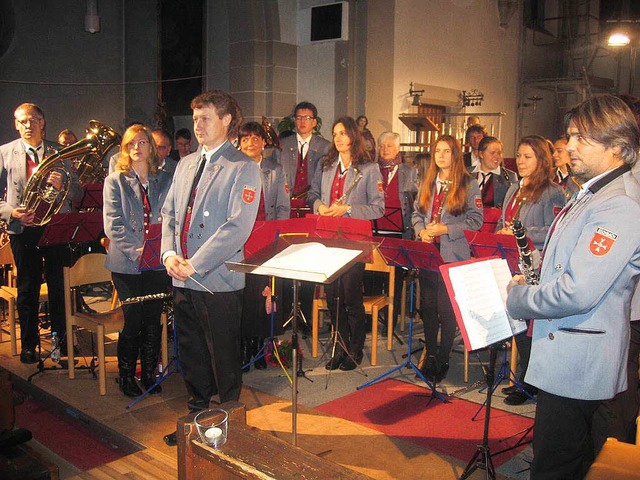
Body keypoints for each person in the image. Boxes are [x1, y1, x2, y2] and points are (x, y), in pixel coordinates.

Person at [506, 94, 640, 479]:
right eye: (570, 136)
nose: (570, 147)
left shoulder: (618, 204)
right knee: (566, 458)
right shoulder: (593, 192)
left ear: (617, 146)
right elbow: (565, 261)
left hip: (578, 360)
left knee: (555, 465)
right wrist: (533, 267)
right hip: (570, 351)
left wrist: (519, 299)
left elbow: (577, 291)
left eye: (583, 138)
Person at [161, 90, 260, 446]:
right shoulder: (185, 163)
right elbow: (170, 213)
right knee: (191, 351)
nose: (197, 125)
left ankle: (230, 424)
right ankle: (197, 418)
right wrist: (169, 254)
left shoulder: (243, 166)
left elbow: (237, 226)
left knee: (223, 356)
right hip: (182, 275)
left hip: (216, 279)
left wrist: (195, 264)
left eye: (205, 118)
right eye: (194, 118)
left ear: (226, 120)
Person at [0, 103, 83, 364]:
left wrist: (63, 187)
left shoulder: (59, 153)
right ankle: (29, 345)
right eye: (22, 121)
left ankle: (61, 343)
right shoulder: (4, 153)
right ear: (16, 124)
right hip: (23, 231)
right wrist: (12, 212)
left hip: (54, 228)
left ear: (42, 122)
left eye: (33, 120)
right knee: (28, 288)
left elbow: (78, 194)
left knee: (59, 287)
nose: (28, 125)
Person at [308, 116, 384, 371]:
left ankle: (355, 349)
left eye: (342, 133)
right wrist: (321, 207)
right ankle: (338, 348)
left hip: (354, 242)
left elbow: (378, 208)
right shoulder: (326, 164)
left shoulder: (369, 168)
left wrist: (348, 209)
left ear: (353, 135)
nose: (338, 138)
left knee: (351, 298)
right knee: (333, 297)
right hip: (329, 239)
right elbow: (313, 195)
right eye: (335, 133)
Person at [496, 135, 566, 405]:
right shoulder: (515, 188)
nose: (521, 161)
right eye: (519, 155)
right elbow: (505, 220)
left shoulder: (553, 191)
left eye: (528, 157)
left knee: (528, 327)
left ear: (541, 160)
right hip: (509, 261)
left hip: (532, 266)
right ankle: (522, 377)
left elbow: (554, 230)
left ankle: (529, 382)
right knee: (516, 325)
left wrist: (518, 233)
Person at [103, 124, 172, 397]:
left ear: (150, 147)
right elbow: (113, 225)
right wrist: (138, 250)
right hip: (126, 263)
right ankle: (126, 376)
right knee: (132, 320)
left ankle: (150, 374)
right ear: (125, 149)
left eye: (142, 142)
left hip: (155, 262)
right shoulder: (115, 181)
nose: (137, 148)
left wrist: (159, 249)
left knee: (153, 320)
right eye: (131, 143)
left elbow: (170, 216)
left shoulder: (163, 179)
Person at [412, 134, 483, 383]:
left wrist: (446, 229)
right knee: (428, 308)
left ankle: (443, 358)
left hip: (453, 254)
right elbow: (416, 214)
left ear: (455, 154)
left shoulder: (468, 183)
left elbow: (476, 221)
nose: (441, 156)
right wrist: (421, 231)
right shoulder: (428, 182)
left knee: (446, 310)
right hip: (429, 255)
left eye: (446, 151)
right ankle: (430, 354)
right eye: (437, 151)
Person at [237, 121, 290, 371]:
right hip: (240, 239)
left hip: (266, 238)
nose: (250, 143)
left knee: (263, 293)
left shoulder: (274, 169)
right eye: (245, 139)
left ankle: (260, 349)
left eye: (255, 139)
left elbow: (282, 207)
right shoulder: (233, 168)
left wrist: (275, 236)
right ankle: (245, 348)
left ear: (263, 142)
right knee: (244, 294)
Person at [271, 101, 330, 216]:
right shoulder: (282, 146)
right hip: (287, 207)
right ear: (294, 121)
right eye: (299, 117)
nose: (302, 121)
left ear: (314, 122)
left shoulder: (326, 147)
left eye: (307, 118)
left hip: (315, 206)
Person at [375, 131, 418, 239]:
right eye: (381, 146)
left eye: (389, 146)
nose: (384, 149)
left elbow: (417, 202)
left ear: (398, 148)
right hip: (375, 228)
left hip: (401, 229)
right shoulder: (371, 170)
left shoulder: (409, 172)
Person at [468, 136, 517, 208]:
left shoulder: (509, 177)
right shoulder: (465, 173)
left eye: (499, 153)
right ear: (481, 154)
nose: (496, 157)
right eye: (492, 153)